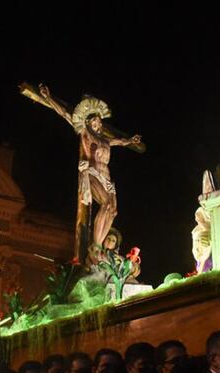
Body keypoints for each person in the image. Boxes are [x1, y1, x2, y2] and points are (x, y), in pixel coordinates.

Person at [38, 84, 142, 254]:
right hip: (92, 172)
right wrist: (48, 98)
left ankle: (99, 245)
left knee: (113, 210)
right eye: (94, 121)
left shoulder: (106, 141)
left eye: (99, 121)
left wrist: (131, 140)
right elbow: (64, 114)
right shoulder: (86, 133)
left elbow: (121, 142)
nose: (97, 123)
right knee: (106, 204)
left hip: (106, 177)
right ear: (88, 122)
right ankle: (96, 245)